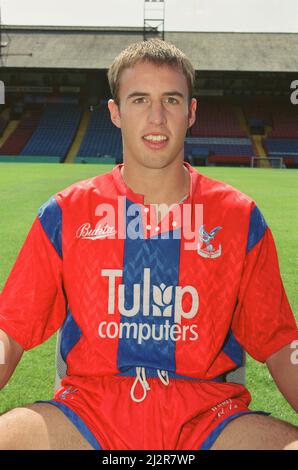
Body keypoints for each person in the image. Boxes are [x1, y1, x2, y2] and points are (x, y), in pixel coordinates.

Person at [0, 39, 297, 451]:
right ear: (116, 112)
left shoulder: (239, 217)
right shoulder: (65, 214)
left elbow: (281, 343)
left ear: (191, 112)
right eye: (140, 99)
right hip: (89, 412)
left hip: (208, 415)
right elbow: (9, 330)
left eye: (171, 100)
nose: (156, 117)